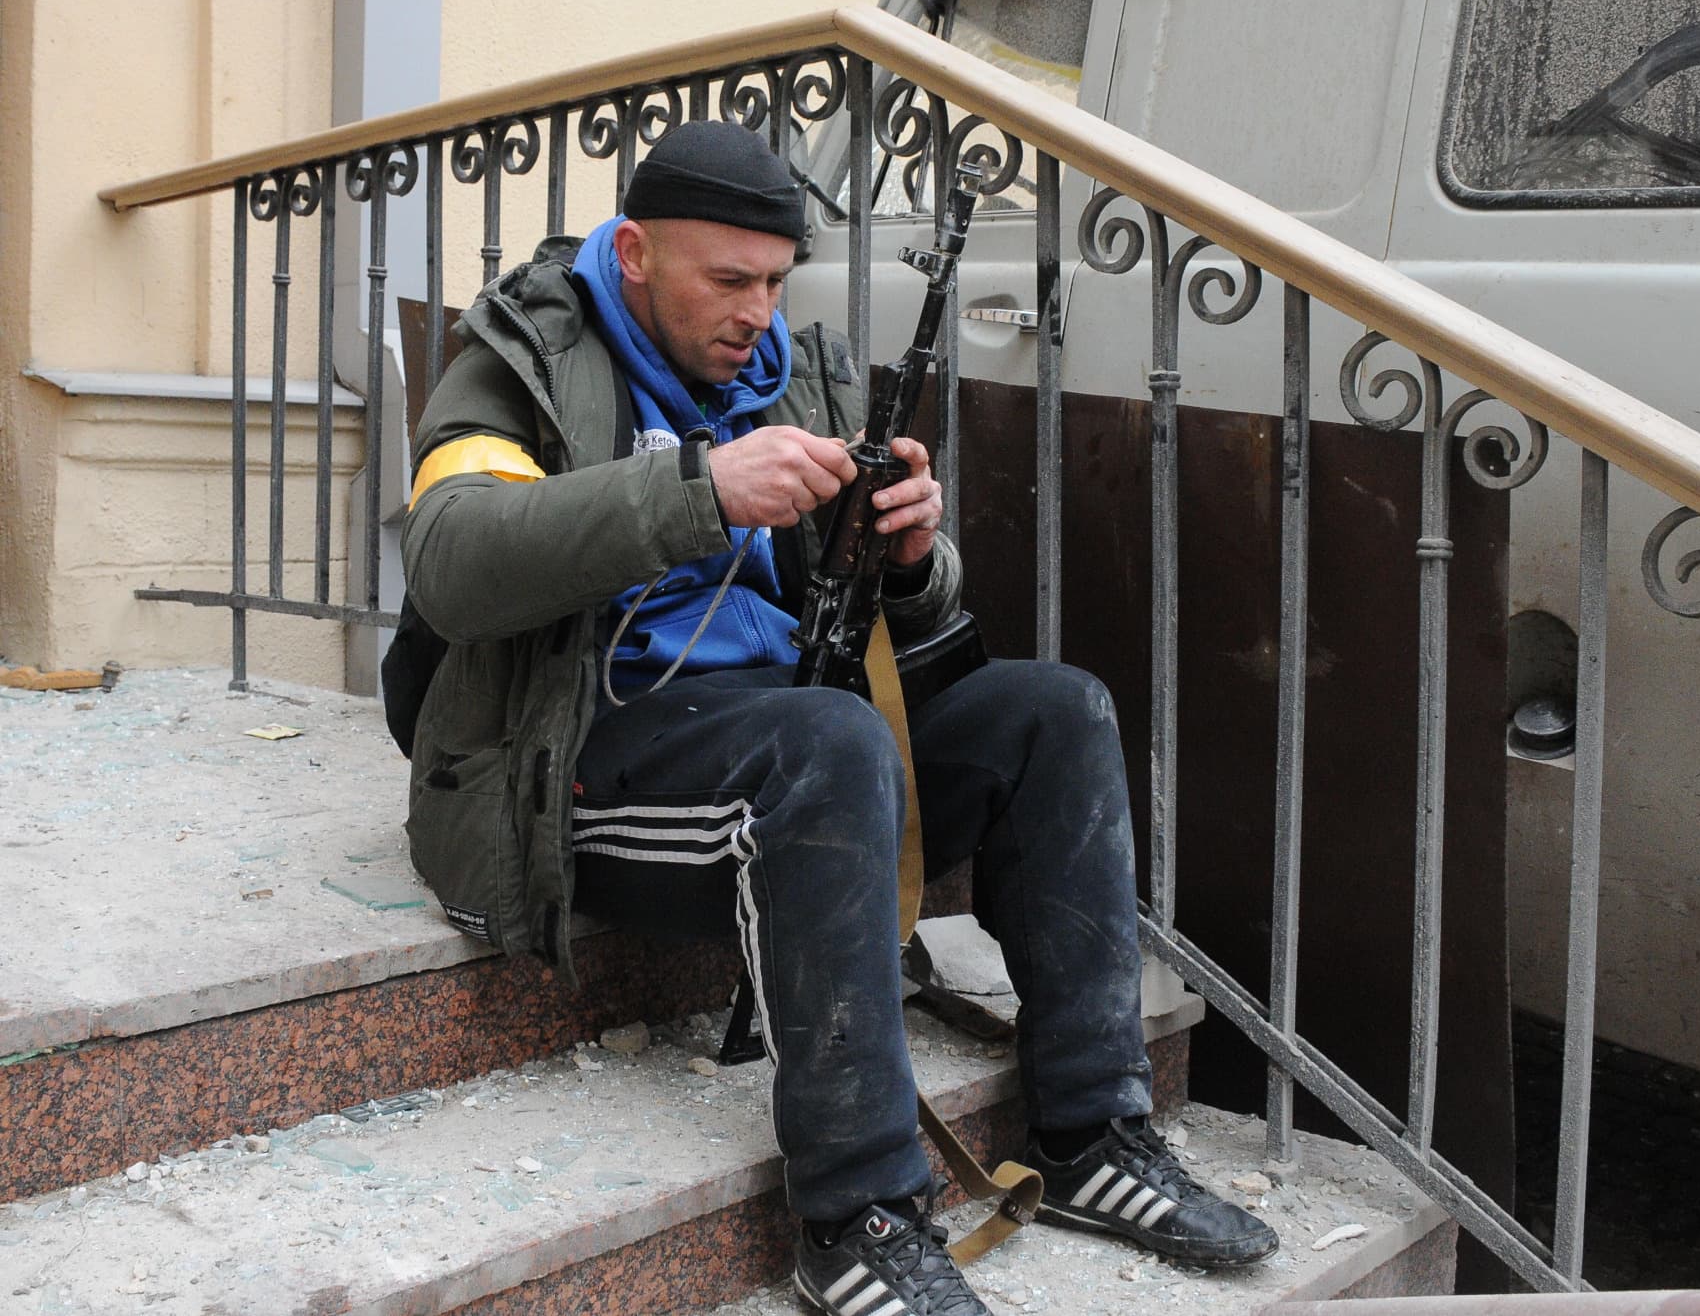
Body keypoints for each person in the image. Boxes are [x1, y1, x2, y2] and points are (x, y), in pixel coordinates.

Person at [400, 118, 1277, 1314]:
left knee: (1054, 713)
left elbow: (913, 637)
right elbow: (453, 562)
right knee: (828, 742)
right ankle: (857, 1213)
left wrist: (910, 559)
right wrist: (696, 491)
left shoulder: (788, 374)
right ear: (639, 252)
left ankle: (1091, 1135)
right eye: (728, 281)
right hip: (581, 763)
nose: (757, 311)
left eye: (774, 281)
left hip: (791, 743)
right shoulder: (524, 356)